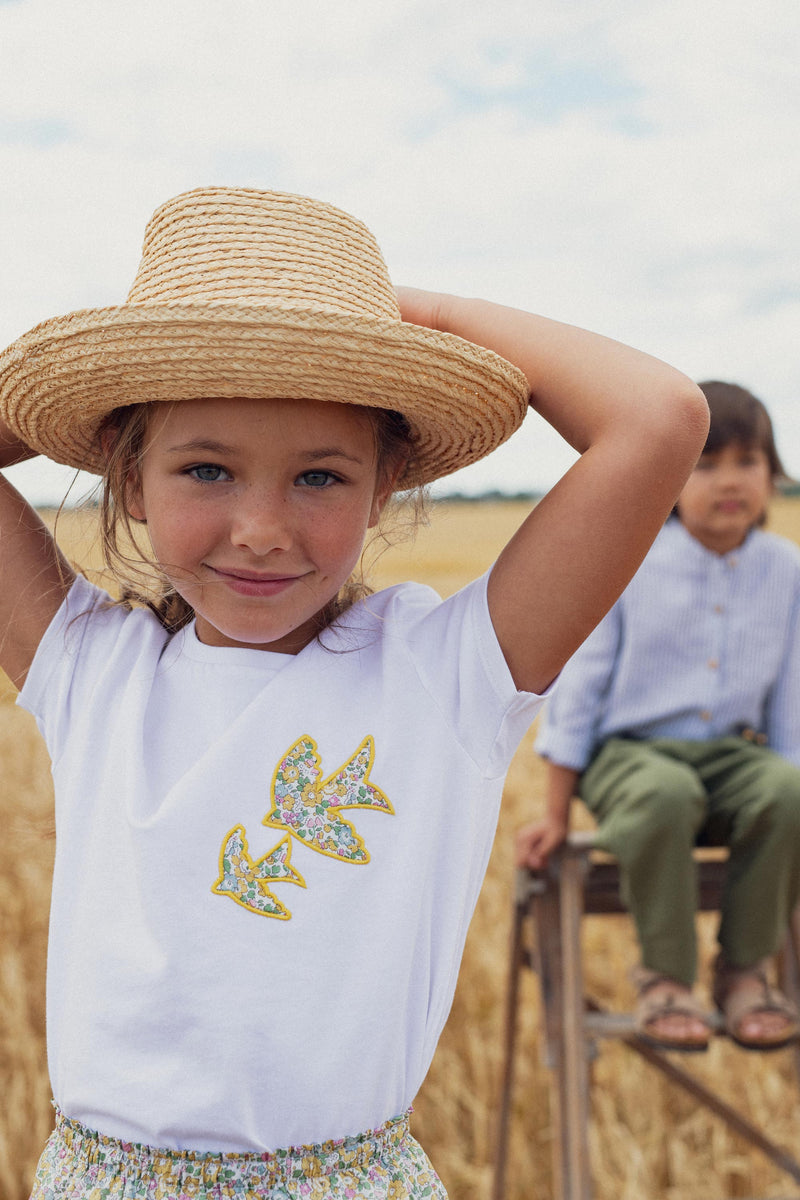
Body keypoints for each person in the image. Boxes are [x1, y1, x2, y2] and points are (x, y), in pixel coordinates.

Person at [0, 185, 707, 1200]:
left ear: (386, 488)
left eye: (320, 478)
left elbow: (657, 416)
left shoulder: (445, 676)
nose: (260, 528)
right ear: (127, 482)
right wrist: (106, 377)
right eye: (203, 469)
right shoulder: (90, 671)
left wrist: (406, 318)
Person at [517, 381, 800, 1053]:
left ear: (773, 473)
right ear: (670, 479)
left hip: (734, 756)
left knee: (788, 790)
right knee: (667, 793)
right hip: (630, 758)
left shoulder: (786, 570)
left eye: (747, 462)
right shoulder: (632, 560)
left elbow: (790, 703)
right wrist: (556, 813)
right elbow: (580, 687)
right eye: (705, 464)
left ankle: (743, 972)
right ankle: (666, 979)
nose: (728, 481)